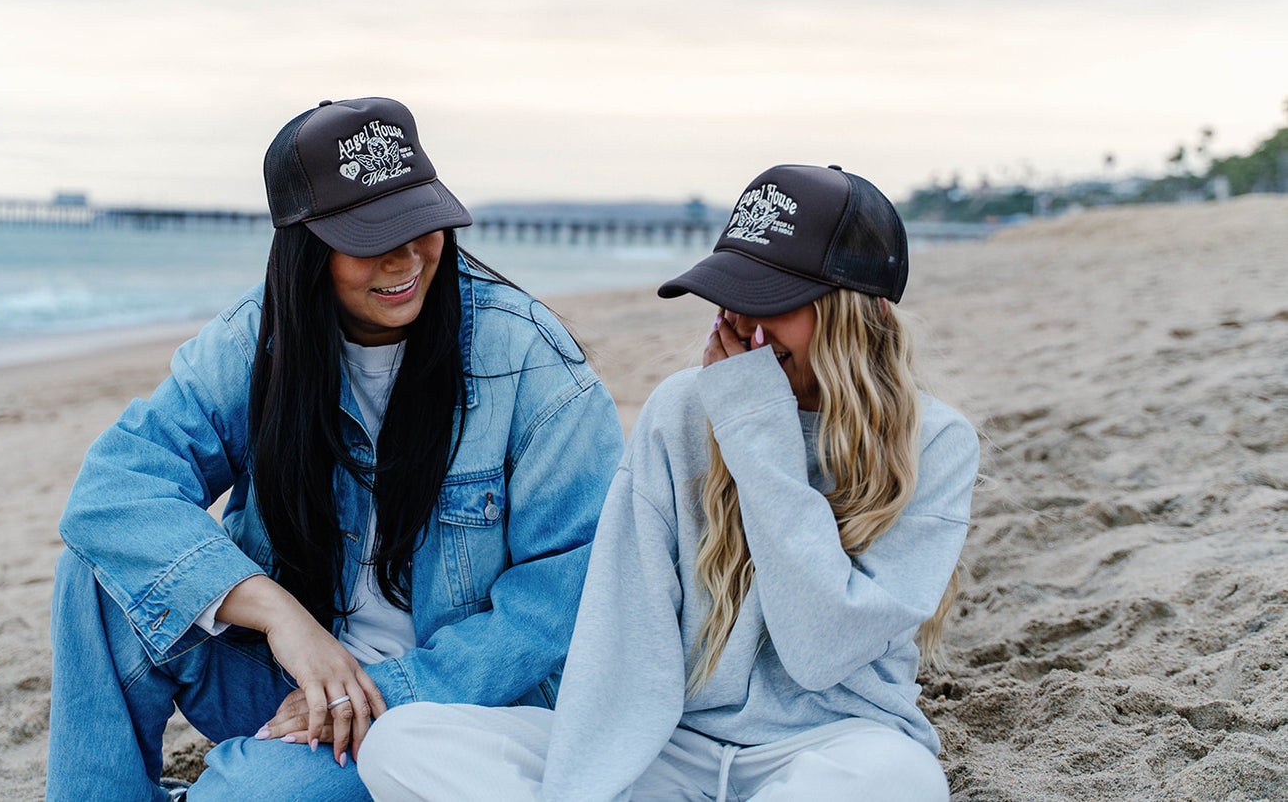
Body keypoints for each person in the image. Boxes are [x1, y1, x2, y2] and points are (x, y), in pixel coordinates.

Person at [45, 97, 624, 802]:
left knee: (247, 796)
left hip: (450, 711)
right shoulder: (254, 343)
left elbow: (565, 594)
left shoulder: (528, 359)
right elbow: (112, 491)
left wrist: (378, 689)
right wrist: (279, 617)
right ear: (304, 245)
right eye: (370, 235)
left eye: (420, 223)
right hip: (294, 675)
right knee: (95, 577)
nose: (407, 256)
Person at [357, 164, 980, 801]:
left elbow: (821, 649)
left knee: (899, 780)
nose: (743, 323)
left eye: (772, 301)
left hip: (829, 746)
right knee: (402, 743)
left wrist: (755, 431)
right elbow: (624, 631)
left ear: (858, 312)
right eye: (735, 294)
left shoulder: (934, 443)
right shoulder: (682, 410)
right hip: (668, 744)